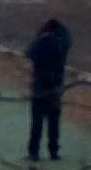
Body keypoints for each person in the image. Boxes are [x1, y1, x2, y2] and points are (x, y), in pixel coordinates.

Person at [25, 18, 72, 162]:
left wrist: (41, 38)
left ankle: (34, 152)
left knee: (37, 122)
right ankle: (53, 151)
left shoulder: (43, 42)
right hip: (56, 86)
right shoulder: (62, 42)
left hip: (40, 87)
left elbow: (28, 52)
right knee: (53, 122)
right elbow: (68, 40)